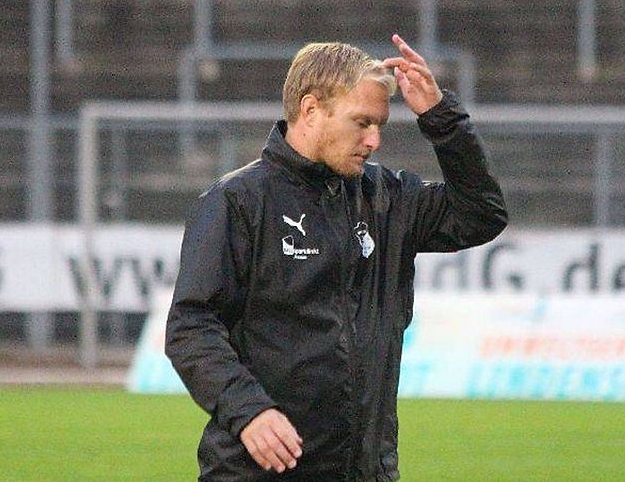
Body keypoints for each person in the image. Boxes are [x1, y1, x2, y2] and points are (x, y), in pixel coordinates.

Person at [166, 35, 507, 481]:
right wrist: (248, 411)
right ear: (310, 109)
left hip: (364, 471)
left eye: (380, 125)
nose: (374, 140)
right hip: (260, 470)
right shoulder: (238, 202)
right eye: (362, 122)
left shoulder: (386, 199)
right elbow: (192, 326)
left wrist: (442, 120)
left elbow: (481, 215)